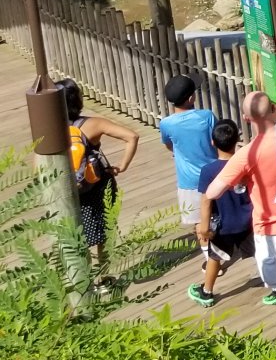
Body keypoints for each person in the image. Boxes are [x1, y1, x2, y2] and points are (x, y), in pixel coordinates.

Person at [199, 92, 276, 332]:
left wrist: (239, 170)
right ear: (273, 108)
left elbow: (213, 191)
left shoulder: (246, 155)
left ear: (245, 118)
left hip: (274, 228)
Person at [63, 79, 139, 266]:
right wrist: (122, 166)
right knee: (104, 231)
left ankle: (85, 278)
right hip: (98, 185)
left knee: (77, 234)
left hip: (69, 188)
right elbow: (132, 136)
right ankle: (104, 276)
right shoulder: (94, 124)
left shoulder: (51, 130)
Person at [188, 119, 251, 308]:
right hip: (247, 219)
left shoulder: (208, 171)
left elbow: (206, 201)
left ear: (213, 143)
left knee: (215, 257)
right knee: (262, 254)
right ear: (237, 140)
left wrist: (204, 227)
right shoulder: (245, 165)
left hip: (224, 224)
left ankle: (206, 292)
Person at [157, 75, 216, 230]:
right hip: (213, 174)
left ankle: (205, 250)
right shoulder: (207, 116)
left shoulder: (166, 124)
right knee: (217, 214)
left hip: (188, 181)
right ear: (191, 98)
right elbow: (215, 141)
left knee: (199, 222)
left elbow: (169, 144)